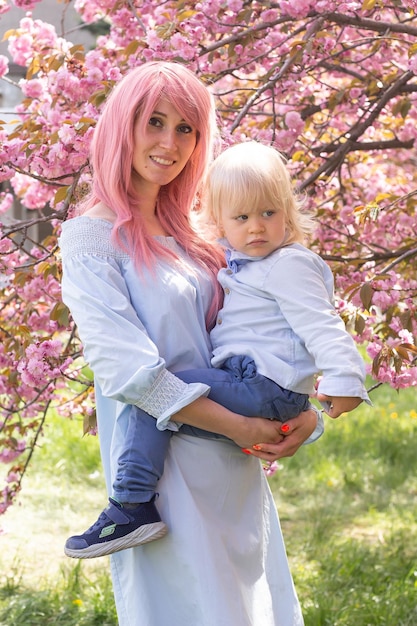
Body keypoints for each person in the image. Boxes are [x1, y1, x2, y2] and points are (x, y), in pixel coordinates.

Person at [59, 60, 323, 626]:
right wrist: (242, 427)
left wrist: (303, 417)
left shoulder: (201, 233)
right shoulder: (91, 238)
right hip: (161, 476)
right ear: (120, 127)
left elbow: (267, 334)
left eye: (186, 128)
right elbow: (126, 368)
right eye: (153, 122)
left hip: (233, 466)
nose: (169, 142)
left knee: (254, 611)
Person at [64, 139, 371, 562]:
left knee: (165, 394)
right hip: (248, 395)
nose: (257, 228)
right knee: (158, 397)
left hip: (259, 388)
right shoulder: (237, 257)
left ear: (289, 212)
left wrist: (344, 379)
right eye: (242, 217)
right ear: (222, 223)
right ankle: (133, 504)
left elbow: (321, 324)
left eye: (269, 213)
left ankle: (131, 504)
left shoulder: (287, 264)